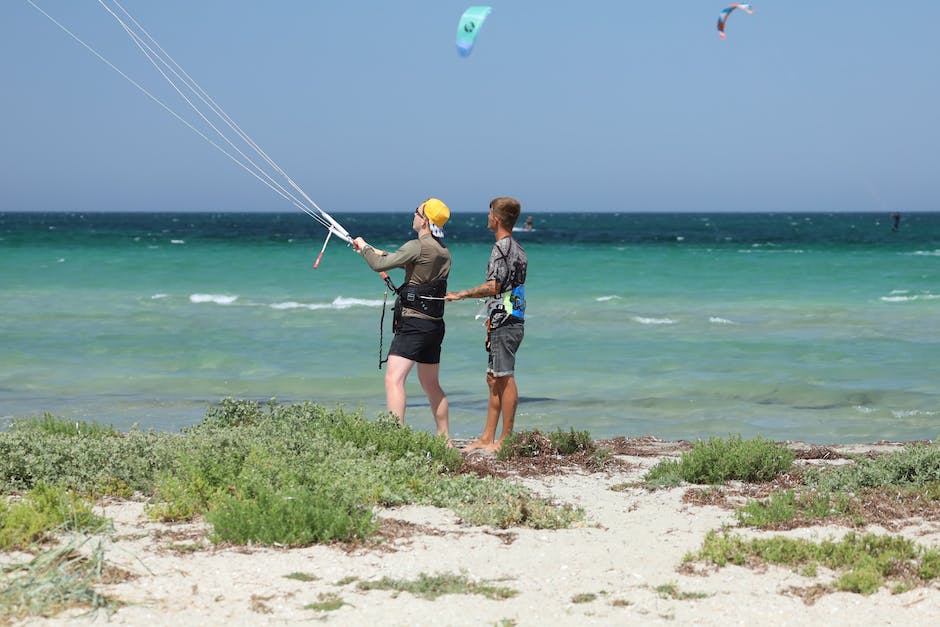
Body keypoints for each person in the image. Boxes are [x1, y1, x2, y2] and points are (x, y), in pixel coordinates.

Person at [352, 198, 452, 444]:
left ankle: (395, 438)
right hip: (434, 326)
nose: (414, 215)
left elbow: (379, 265)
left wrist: (365, 247)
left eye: (417, 211)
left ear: (425, 220)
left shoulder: (417, 245)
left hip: (413, 325)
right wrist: (369, 249)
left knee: (393, 379)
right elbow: (396, 259)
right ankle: (445, 440)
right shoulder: (443, 252)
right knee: (431, 385)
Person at [446, 197, 527, 452]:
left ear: (497, 219)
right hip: (506, 317)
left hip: (508, 320)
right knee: (493, 378)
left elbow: (495, 286)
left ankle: (505, 440)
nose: (488, 216)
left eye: (490, 212)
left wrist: (461, 294)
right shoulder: (518, 249)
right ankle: (486, 437)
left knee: (504, 377)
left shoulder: (501, 249)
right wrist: (491, 320)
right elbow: (507, 291)